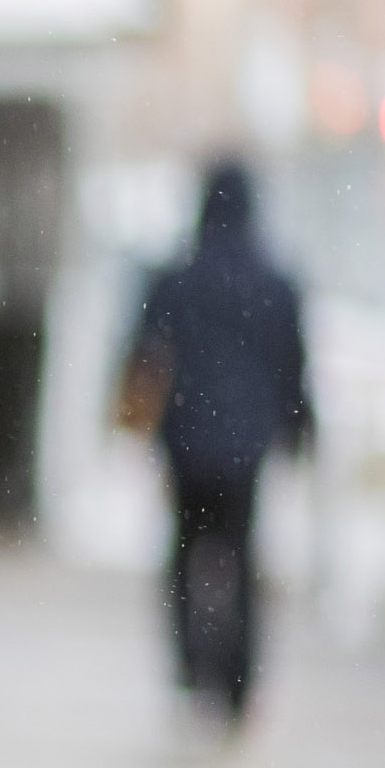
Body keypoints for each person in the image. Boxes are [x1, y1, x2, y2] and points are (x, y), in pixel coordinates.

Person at [125, 159, 314, 726]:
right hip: (246, 448)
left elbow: (145, 352)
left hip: (184, 442)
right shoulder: (275, 281)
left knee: (184, 552)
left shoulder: (175, 275)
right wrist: (299, 430)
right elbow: (293, 367)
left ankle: (191, 665)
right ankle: (237, 678)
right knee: (244, 555)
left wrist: (138, 424)